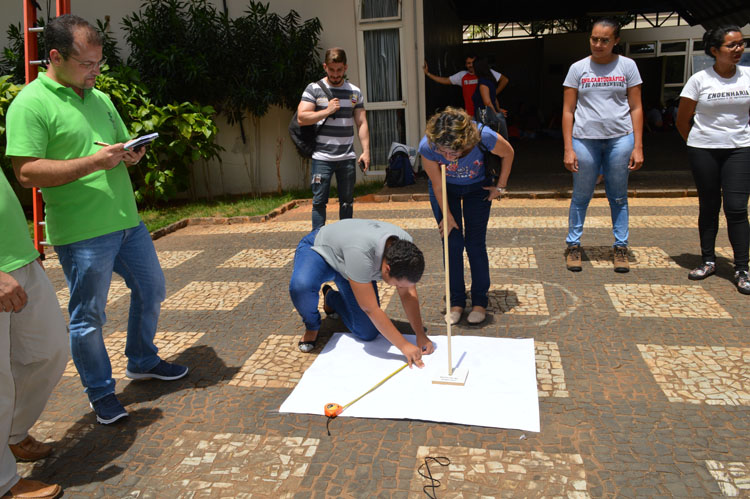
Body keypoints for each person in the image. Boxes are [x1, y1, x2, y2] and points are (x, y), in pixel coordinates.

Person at [6, 15, 188, 426]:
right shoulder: (30, 103)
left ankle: (141, 360)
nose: (95, 72)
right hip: (83, 233)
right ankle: (101, 392)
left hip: (127, 221)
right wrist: (94, 162)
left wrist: (130, 154)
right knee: (88, 316)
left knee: (152, 288)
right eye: (87, 64)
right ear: (54, 56)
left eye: (98, 63)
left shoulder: (100, 98)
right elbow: (27, 172)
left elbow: (115, 147)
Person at [1, 170, 67, 499]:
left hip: (18, 259)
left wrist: (26, 253)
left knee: (50, 351)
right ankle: (3, 484)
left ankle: (11, 434)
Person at [289, 219, 434, 368]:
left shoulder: (407, 250)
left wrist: (420, 334)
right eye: (397, 285)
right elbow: (370, 308)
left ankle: (331, 298)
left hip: (351, 265)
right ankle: (312, 326)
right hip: (321, 251)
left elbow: (407, 294)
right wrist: (404, 346)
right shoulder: (362, 253)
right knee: (301, 287)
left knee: (367, 333)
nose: (399, 288)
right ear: (387, 269)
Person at [561, 18, 644, 273]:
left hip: (620, 138)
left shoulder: (627, 66)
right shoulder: (578, 68)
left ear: (616, 40)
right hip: (585, 138)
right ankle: (573, 246)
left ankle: (620, 247)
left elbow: (636, 107)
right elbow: (568, 110)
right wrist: (568, 148)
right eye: (594, 39)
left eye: (605, 40)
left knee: (618, 196)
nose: (598, 44)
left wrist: (638, 145)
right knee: (581, 195)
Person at [419, 107, 514, 325]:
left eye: (454, 152)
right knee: (451, 243)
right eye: (443, 152)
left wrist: (500, 187)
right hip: (445, 189)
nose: (448, 157)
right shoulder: (428, 145)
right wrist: (448, 215)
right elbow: (436, 184)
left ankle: (480, 301)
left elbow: (508, 153)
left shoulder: (483, 136)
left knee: (474, 244)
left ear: (466, 140)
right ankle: (456, 302)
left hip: (477, 188)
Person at [676, 26, 750, 293]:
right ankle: (708, 260)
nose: (738, 49)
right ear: (714, 50)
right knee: (709, 205)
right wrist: (699, 142)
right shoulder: (699, 80)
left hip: (740, 149)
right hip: (703, 149)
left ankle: (742, 268)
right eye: (732, 46)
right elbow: (683, 120)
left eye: (741, 44)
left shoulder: (748, 77)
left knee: (736, 207)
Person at [296, 47, 370, 230]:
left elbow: (361, 123)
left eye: (339, 70)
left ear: (345, 67)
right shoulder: (314, 89)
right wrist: (327, 111)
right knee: (319, 202)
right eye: (331, 70)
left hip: (347, 158)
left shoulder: (354, 92)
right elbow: (302, 117)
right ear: (325, 67)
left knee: (347, 202)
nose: (335, 74)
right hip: (322, 157)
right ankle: (318, 240)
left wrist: (366, 152)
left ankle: (344, 240)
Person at [423, 55, 509, 117]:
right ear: (465, 65)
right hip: (471, 114)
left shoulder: (485, 73)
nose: (471, 65)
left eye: (472, 63)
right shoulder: (462, 75)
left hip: (486, 114)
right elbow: (445, 80)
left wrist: (493, 94)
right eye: (468, 63)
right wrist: (428, 74)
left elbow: (505, 80)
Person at [471, 58, 508, 140]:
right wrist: (498, 110)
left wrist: (496, 115)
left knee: (487, 141)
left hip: (485, 116)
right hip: (490, 114)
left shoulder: (483, 83)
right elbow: (494, 98)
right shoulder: (490, 81)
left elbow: (487, 102)